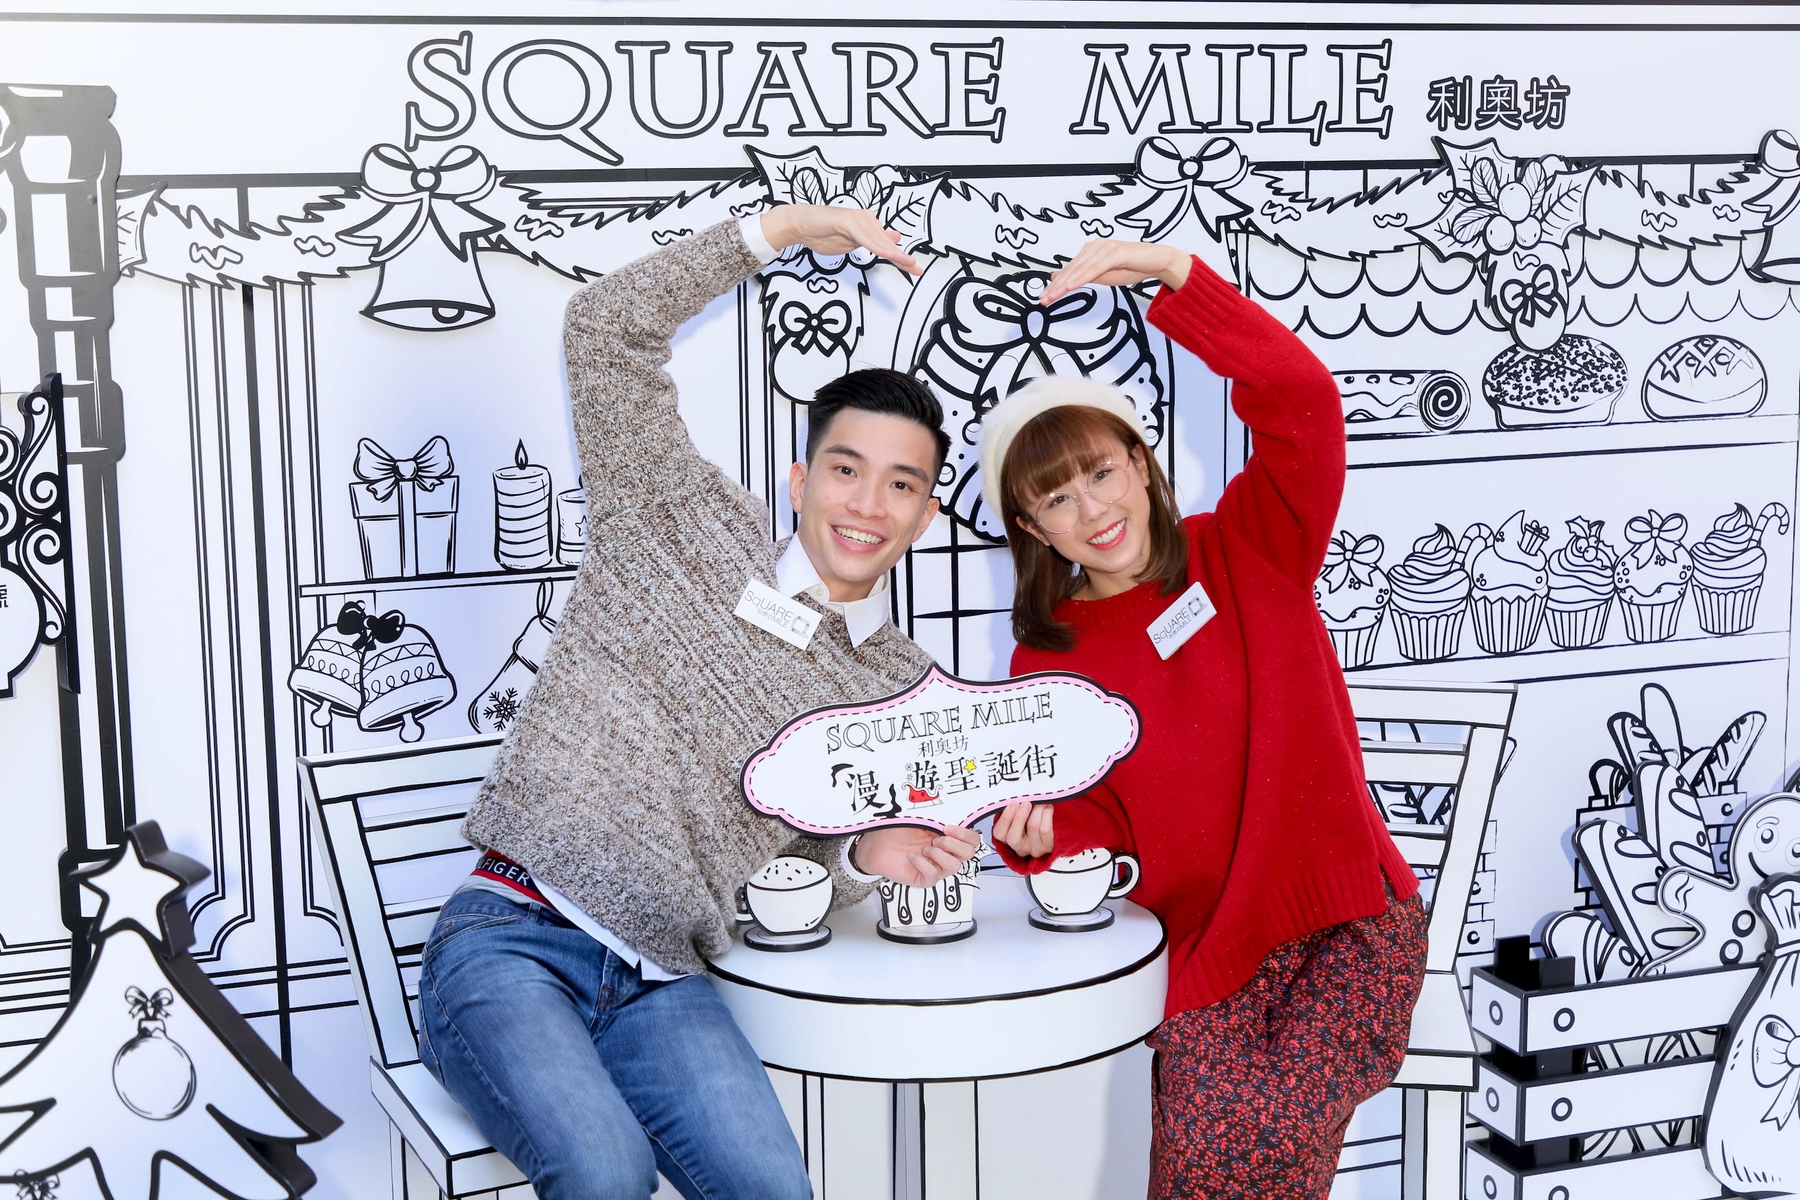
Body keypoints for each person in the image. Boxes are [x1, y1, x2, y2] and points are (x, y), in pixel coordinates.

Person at [418, 207, 982, 1200]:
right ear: (801, 482)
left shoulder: (897, 686)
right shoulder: (675, 520)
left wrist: (867, 857)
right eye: (846, 471)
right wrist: (781, 230)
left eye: (901, 485)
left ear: (926, 513)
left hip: (666, 984)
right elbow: (605, 327)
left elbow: (798, 870)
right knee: (604, 1171)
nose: (867, 504)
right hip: (509, 936)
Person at [983, 239, 1427, 1198]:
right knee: (1202, 1159)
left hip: (1346, 927)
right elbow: (1098, 820)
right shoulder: (1048, 659)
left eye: (1102, 473)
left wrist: (1176, 275)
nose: (1092, 510)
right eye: (1056, 497)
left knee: (1252, 1140)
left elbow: (1304, 402)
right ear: (1032, 528)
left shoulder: (1253, 544)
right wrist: (1046, 835)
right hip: (1206, 957)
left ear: (1140, 465)